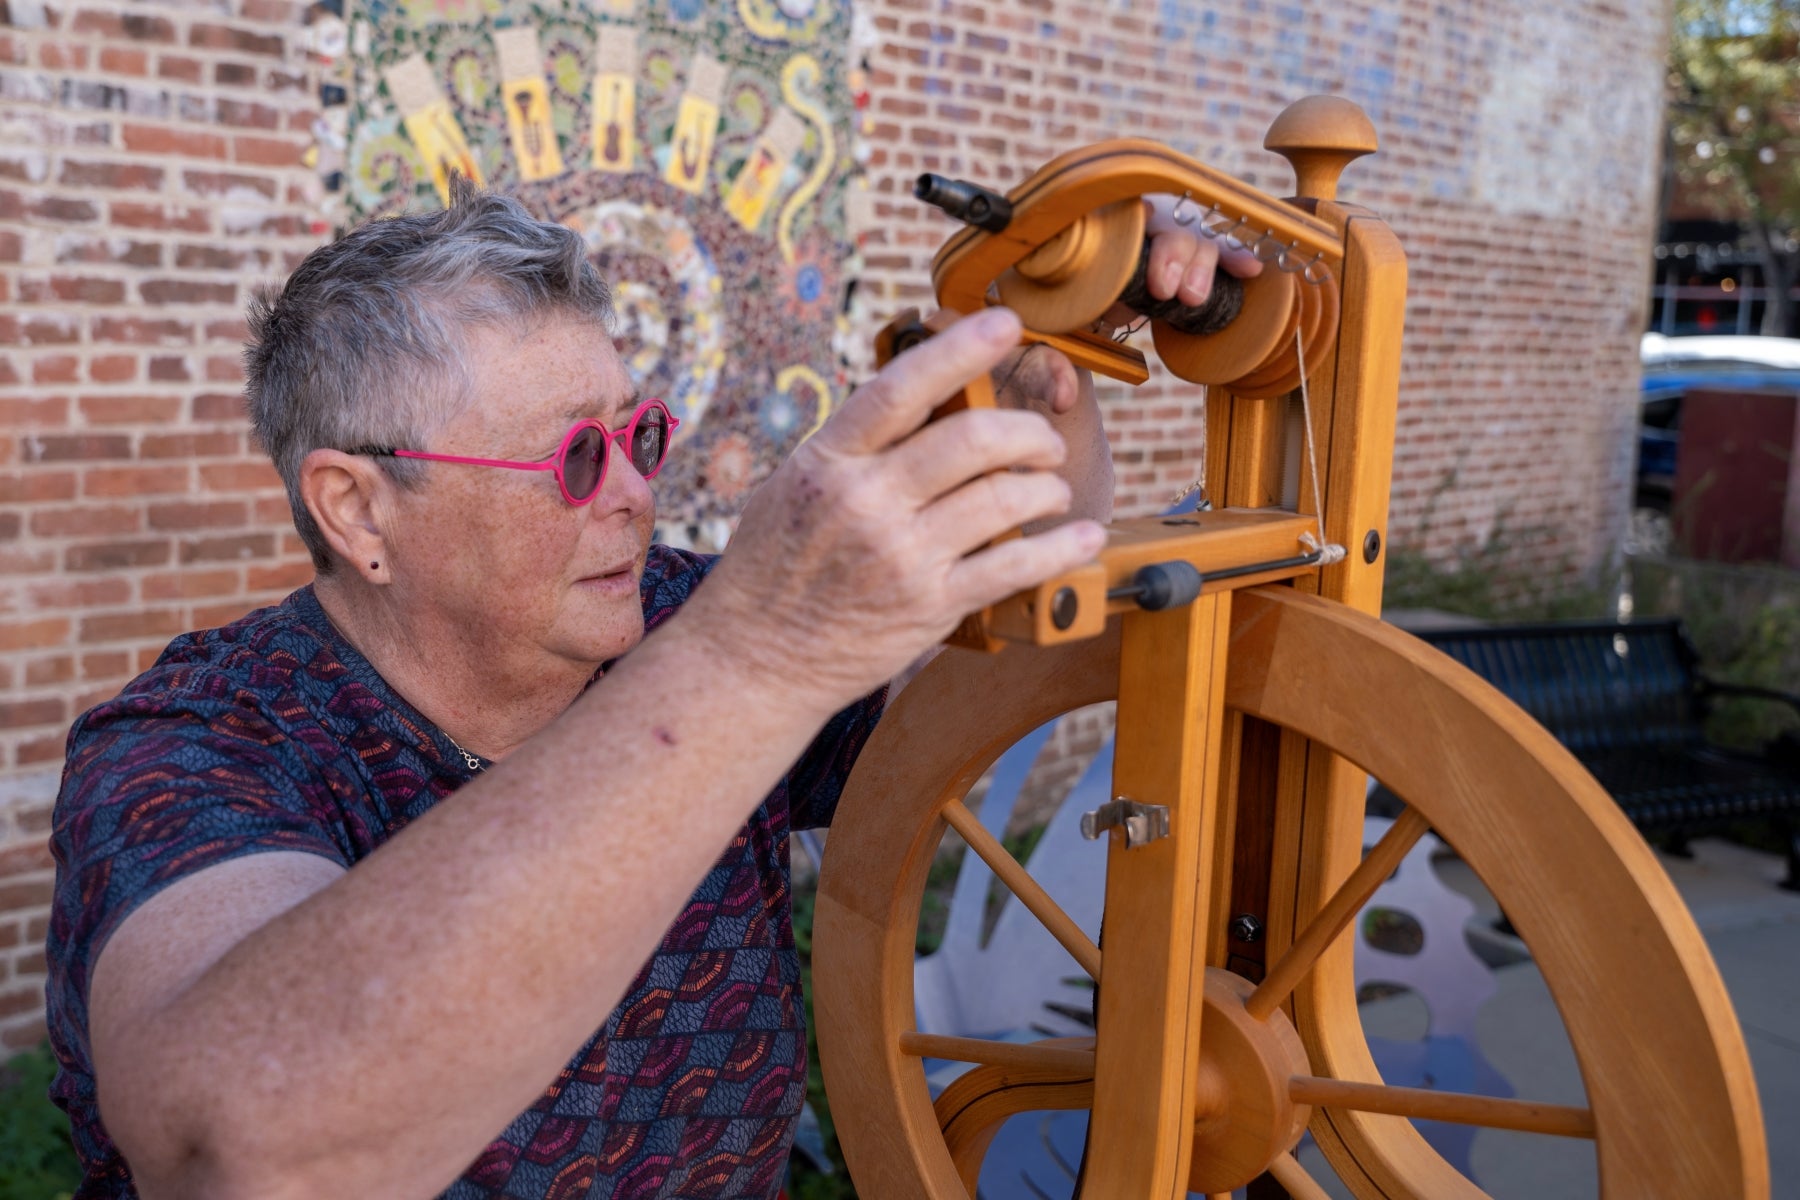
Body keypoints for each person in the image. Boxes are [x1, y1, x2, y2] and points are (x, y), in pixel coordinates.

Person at [45, 181, 1255, 1199]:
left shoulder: (676, 612)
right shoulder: (203, 739)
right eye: (575, 456)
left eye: (641, 436)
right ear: (358, 508)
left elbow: (994, 648)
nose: (633, 493)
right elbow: (238, 1144)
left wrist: (1043, 382)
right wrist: (751, 657)